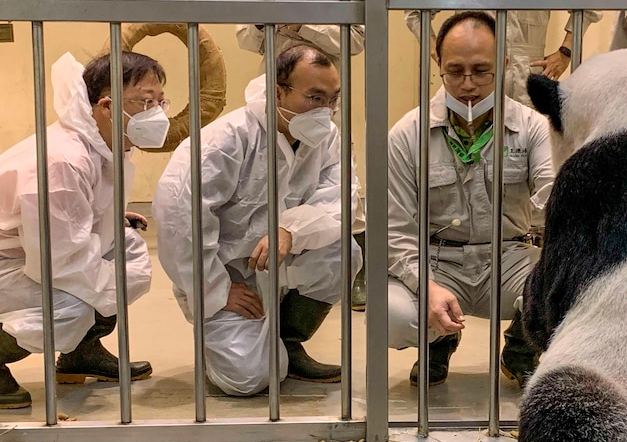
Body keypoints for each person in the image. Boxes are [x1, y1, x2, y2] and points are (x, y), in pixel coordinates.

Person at [153, 44, 361, 397]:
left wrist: (292, 229)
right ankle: (226, 334)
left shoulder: (327, 139)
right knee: (247, 379)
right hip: (228, 273)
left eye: (332, 98)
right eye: (314, 97)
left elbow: (341, 199)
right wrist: (215, 289)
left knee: (344, 252)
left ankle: (288, 340)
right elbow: (179, 221)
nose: (326, 111)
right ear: (278, 91)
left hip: (283, 256)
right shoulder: (226, 140)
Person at [388, 11, 556, 389]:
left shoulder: (532, 128)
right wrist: (426, 286)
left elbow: (554, 196)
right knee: (391, 316)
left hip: (509, 257)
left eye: (482, 71)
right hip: (437, 260)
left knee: (577, 289)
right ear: (438, 65)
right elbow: (394, 231)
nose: (468, 85)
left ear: (505, 65)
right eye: (455, 71)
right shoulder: (407, 134)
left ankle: (521, 346)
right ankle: (439, 340)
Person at [0, 51, 167, 409]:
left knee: (125, 252)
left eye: (160, 101)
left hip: (31, 250)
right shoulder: (62, 159)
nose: (158, 113)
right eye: (147, 102)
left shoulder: (102, 142)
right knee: (73, 303)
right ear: (107, 106)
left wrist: (110, 218)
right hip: (13, 260)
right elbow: (61, 260)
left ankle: (81, 353)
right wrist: (103, 287)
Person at [235, 0, 369, 312]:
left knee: (334, 175)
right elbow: (244, 37)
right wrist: (262, 24)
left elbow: (357, 37)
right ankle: (264, 258)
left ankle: (354, 269)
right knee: (269, 169)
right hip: (277, 92)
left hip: (318, 94)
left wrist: (302, 24)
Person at [404, 0, 601, 105]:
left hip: (527, 79)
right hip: (471, 78)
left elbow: (592, 0)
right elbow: (414, 8)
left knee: (528, 145)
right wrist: (437, 51)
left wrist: (566, 52)